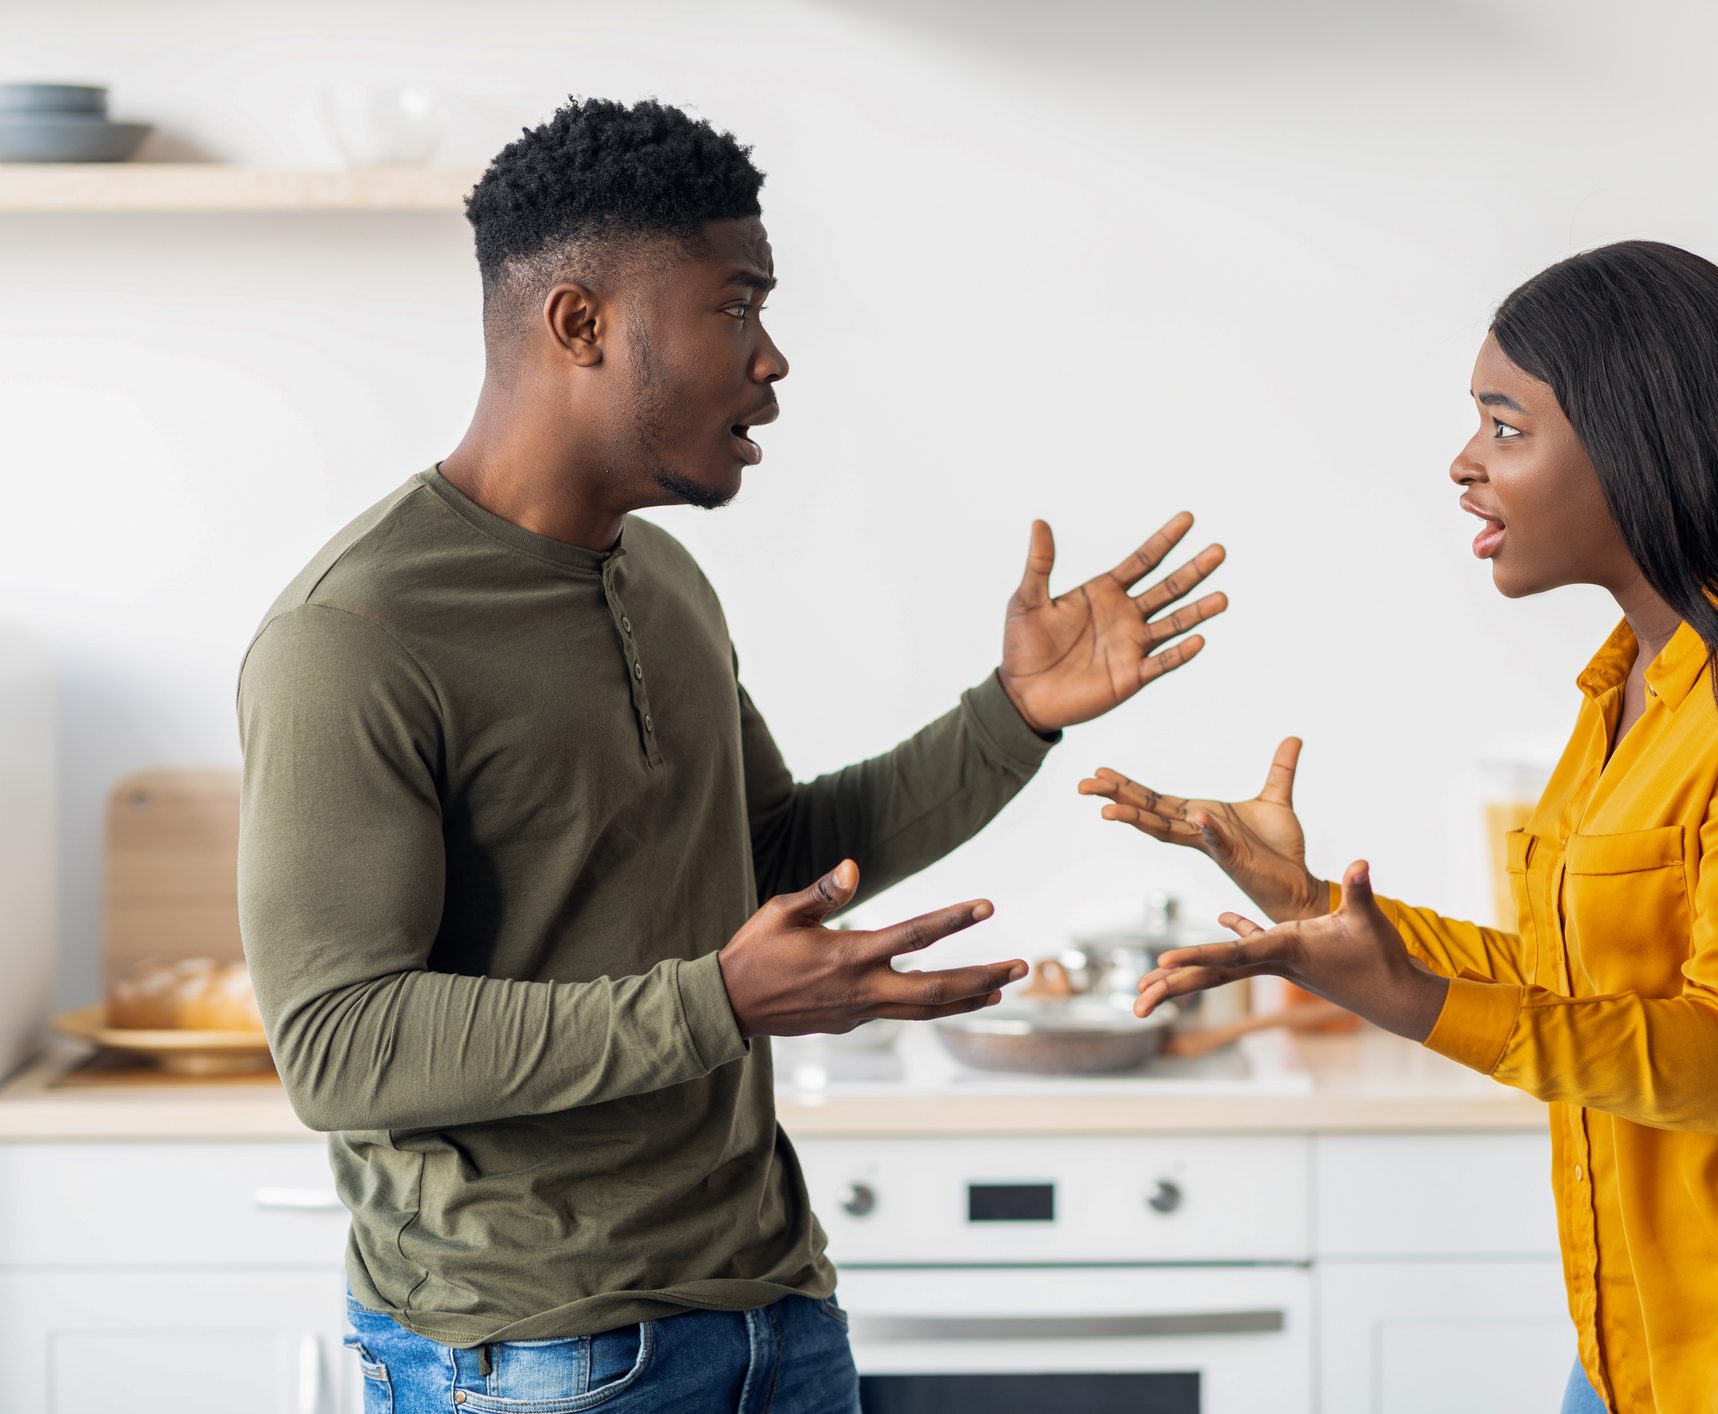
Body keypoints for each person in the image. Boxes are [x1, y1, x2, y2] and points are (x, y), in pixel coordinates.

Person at [236, 97, 1230, 1414]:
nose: (771, 360)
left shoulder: (659, 576)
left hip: (770, 1310)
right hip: (539, 1351)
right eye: (736, 306)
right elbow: (339, 1042)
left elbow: (765, 860)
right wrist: (722, 999)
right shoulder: (355, 632)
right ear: (579, 323)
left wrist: (1013, 712)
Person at [1088, 241, 1718, 1412]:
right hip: (1658, 1331)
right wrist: (1314, 912)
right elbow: (1577, 983)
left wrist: (1414, 1000)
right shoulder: (1625, 697)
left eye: (1505, 425)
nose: (1463, 462)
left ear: (1644, 441)